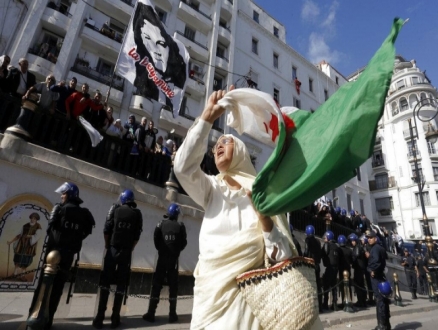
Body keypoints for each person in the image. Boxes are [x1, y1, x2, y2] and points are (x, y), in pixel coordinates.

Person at [173, 87, 322, 329]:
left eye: (226, 141)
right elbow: (182, 168)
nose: (218, 146)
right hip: (210, 296)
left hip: (251, 300)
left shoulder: (262, 191)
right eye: (216, 145)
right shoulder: (211, 188)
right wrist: (207, 119)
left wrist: (265, 220)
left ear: (241, 150)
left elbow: (283, 256)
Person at [35, 182, 95, 329]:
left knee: (45, 285)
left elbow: (50, 230)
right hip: (68, 256)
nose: (61, 196)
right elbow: (86, 232)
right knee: (58, 288)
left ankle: (37, 317)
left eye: (64, 193)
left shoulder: (59, 209)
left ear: (69, 195)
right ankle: (49, 320)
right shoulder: (84, 214)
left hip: (53, 254)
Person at [92, 189, 143, 329]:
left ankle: (100, 317)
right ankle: (115, 318)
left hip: (113, 249)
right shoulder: (137, 214)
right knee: (121, 284)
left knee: (105, 282)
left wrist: (107, 245)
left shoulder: (114, 209)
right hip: (126, 252)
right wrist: (130, 249)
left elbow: (106, 229)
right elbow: (137, 236)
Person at [132, 2, 187, 111]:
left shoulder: (176, 82)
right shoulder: (139, 69)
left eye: (161, 44)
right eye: (148, 39)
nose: (157, 49)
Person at [143, 203, 187, 323]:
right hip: (173, 261)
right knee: (173, 287)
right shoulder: (180, 226)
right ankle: (172, 314)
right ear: (177, 214)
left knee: (156, 285)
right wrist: (176, 251)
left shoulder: (161, 224)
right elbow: (183, 243)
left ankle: (151, 313)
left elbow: (156, 239)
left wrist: (161, 250)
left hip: (161, 259)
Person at [365, 231, 390, 330]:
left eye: (371, 237)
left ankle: (382, 325)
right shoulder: (381, 248)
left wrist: (372, 270)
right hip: (381, 275)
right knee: (384, 299)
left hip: (376, 276)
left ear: (375, 238)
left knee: (379, 300)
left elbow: (376, 262)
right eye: (368, 238)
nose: (369, 239)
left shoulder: (375, 249)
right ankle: (386, 324)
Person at [6, 212, 42, 280]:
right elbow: (19, 234)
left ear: (36, 219)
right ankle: (15, 274)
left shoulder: (38, 227)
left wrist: (29, 236)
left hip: (29, 247)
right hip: (21, 245)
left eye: (34, 218)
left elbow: (37, 236)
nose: (33, 219)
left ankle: (22, 276)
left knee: (26, 261)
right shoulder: (25, 225)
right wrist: (11, 242)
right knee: (17, 259)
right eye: (32, 218)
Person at [303, 224, 323, 313]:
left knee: (310, 285)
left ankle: (312, 307)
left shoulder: (307, 240)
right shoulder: (318, 241)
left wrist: (303, 257)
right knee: (318, 285)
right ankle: (320, 306)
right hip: (317, 264)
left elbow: (306, 251)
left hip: (310, 265)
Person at [321, 230, 340, 311]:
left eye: (325, 237)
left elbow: (323, 254)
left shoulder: (326, 245)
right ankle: (334, 304)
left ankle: (325, 303)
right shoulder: (337, 246)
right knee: (334, 286)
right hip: (336, 268)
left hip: (329, 268)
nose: (324, 239)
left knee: (326, 286)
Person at [337, 234, 353, 304]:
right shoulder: (349, 250)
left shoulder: (339, 250)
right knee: (348, 286)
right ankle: (350, 300)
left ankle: (344, 301)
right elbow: (352, 260)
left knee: (342, 286)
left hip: (341, 269)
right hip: (348, 269)